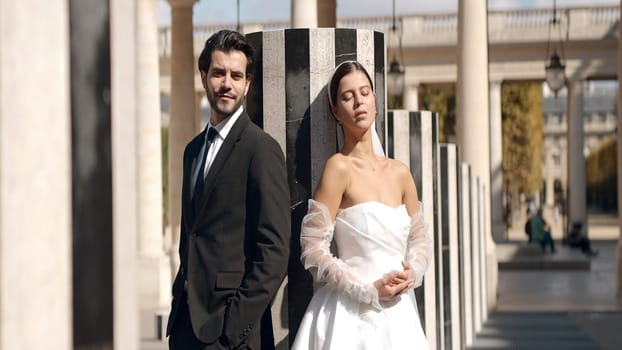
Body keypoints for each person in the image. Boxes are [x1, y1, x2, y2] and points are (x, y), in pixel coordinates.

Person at [291, 61, 432, 349]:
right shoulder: (338, 168)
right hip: (349, 316)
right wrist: (366, 290)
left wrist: (412, 273)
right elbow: (313, 247)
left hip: (399, 314)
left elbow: (420, 239)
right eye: (347, 96)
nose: (358, 102)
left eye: (365, 92)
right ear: (335, 111)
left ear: (375, 100)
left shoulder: (401, 172)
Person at [166, 30, 290, 350]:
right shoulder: (192, 150)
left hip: (231, 336)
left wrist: (232, 328)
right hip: (185, 329)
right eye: (219, 73)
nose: (227, 84)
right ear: (204, 76)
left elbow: (274, 252)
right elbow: (191, 236)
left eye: (237, 75)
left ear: (247, 84)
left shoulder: (261, 150)